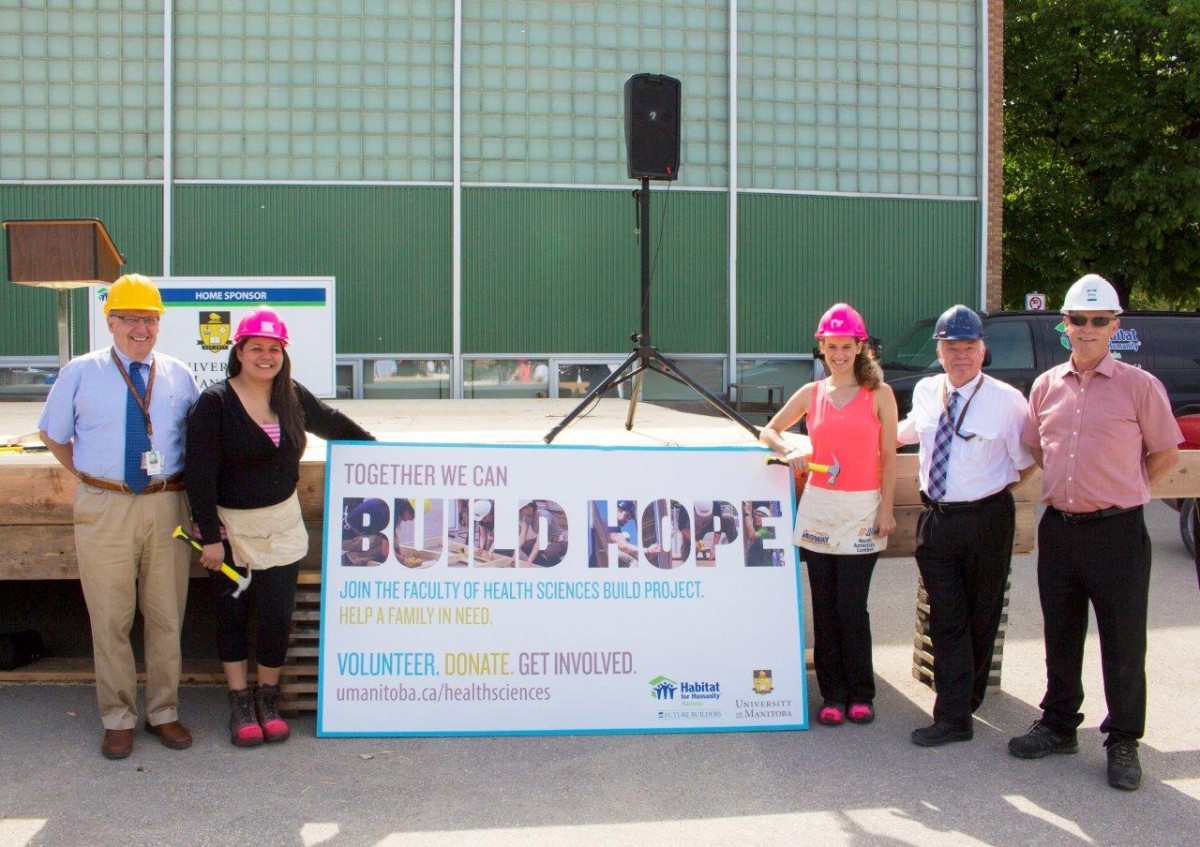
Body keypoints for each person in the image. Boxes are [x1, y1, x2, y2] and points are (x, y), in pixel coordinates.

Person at [1009, 274, 1181, 791]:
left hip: (1118, 532)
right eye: (1077, 319)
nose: (1087, 328)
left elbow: (1167, 453)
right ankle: (1060, 724)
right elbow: (1036, 447)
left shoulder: (1140, 386)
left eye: (1098, 320)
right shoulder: (1044, 386)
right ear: (1064, 325)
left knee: (1123, 641)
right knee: (1059, 634)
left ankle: (1123, 739)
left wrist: (1125, 488)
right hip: (1060, 529)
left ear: (1114, 326)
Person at [184, 308, 375, 748]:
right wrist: (209, 536)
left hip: (284, 525)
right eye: (257, 348)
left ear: (283, 354)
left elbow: (337, 426)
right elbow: (199, 474)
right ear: (239, 351)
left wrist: (382, 455)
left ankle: (268, 698)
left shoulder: (292, 396)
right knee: (232, 615)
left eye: (274, 349)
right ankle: (239, 701)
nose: (266, 356)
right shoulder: (214, 403)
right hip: (231, 531)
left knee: (275, 615)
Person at [38, 274, 200, 759]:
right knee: (110, 617)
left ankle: (164, 712)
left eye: (149, 319)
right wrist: (94, 477)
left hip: (167, 502)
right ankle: (117, 717)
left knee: (167, 614)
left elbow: (195, 443)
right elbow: (53, 434)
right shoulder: (80, 373)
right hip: (104, 506)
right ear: (109, 321)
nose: (140, 328)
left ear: (159, 324)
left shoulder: (178, 374)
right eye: (130, 318)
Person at [897, 305, 1035, 747]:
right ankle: (955, 716)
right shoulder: (925, 391)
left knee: (981, 614)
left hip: (987, 519)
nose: (961, 356)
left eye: (969, 347)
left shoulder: (1007, 400)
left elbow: (1028, 462)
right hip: (936, 519)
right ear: (938, 351)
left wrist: (994, 493)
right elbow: (904, 433)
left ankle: (965, 697)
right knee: (948, 616)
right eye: (951, 348)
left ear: (983, 351)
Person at [760, 303, 897, 726]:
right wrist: (791, 450)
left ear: (860, 347)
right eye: (831, 346)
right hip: (819, 510)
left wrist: (887, 510)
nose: (838, 354)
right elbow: (769, 430)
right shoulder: (811, 394)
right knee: (823, 605)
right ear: (821, 348)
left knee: (851, 606)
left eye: (846, 346)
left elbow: (889, 457)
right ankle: (833, 695)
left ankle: (861, 693)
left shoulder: (880, 395)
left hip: (862, 510)